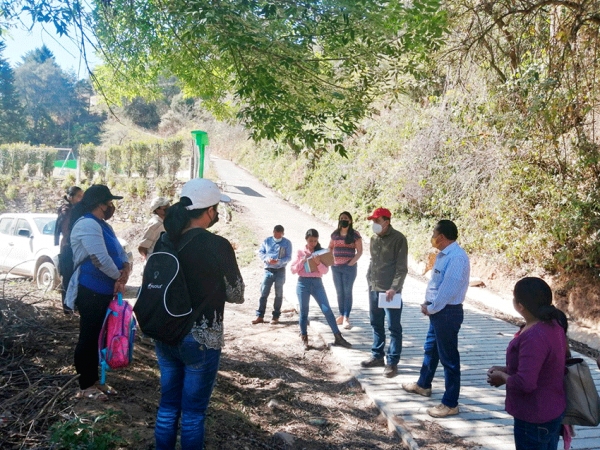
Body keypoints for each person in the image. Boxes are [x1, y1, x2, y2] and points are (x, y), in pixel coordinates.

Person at [153, 178, 245, 450]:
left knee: (168, 407)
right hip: (202, 338)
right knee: (193, 415)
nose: (216, 214)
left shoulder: (165, 240)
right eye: (216, 208)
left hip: (165, 332)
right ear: (208, 211)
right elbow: (237, 294)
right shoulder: (218, 245)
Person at [65, 185, 131, 400]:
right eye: (109, 202)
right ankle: (85, 385)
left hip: (104, 290)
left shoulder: (103, 225)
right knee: (89, 336)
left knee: (100, 338)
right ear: (100, 204)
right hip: (90, 290)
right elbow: (99, 259)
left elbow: (121, 252)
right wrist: (119, 278)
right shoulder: (87, 225)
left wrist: (126, 268)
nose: (111, 206)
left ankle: (95, 380)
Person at [487, 277, 567, 450]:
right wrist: (507, 369)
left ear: (520, 305)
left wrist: (502, 376)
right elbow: (543, 366)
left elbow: (526, 383)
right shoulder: (554, 324)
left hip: (534, 416)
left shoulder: (534, 336)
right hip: (553, 410)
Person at [402, 220, 470, 418]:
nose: (432, 236)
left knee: (449, 359)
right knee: (431, 349)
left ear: (441, 236)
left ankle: (450, 403)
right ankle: (423, 384)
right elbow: (436, 284)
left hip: (447, 312)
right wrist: (429, 304)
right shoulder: (444, 255)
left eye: (434, 232)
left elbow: (448, 290)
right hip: (438, 311)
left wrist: (431, 308)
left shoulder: (456, 258)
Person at [361, 207, 408, 378]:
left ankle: (392, 362)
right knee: (376, 323)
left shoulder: (399, 239)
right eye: (372, 221)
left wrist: (394, 288)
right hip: (374, 288)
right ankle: (377, 355)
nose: (374, 224)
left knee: (393, 327)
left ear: (386, 222)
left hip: (390, 292)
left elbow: (402, 268)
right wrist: (369, 279)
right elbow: (373, 261)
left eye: (376, 221)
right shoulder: (374, 238)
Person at [290, 229, 352, 350]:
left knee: (327, 309)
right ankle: (304, 338)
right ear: (306, 240)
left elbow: (325, 271)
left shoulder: (321, 252)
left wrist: (318, 263)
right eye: (310, 240)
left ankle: (338, 336)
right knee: (303, 311)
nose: (312, 243)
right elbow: (293, 270)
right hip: (303, 283)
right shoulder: (300, 252)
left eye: (315, 240)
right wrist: (302, 262)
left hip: (317, 283)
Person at [328, 211, 362, 329]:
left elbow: (360, 251)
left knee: (347, 292)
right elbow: (330, 247)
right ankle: (341, 315)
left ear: (350, 220)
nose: (343, 220)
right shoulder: (335, 234)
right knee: (339, 292)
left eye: (346, 218)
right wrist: (330, 260)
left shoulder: (355, 235)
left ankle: (347, 317)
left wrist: (351, 263)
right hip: (336, 267)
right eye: (341, 218)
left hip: (349, 268)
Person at [252, 225, 292, 325]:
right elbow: (261, 252)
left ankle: (276, 316)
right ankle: (260, 316)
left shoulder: (287, 243)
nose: (277, 237)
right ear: (273, 232)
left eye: (279, 235)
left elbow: (288, 257)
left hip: (280, 270)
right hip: (268, 270)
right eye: (275, 234)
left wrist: (279, 261)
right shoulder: (267, 241)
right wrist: (267, 259)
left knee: (278, 294)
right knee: (263, 293)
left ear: (283, 234)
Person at [54, 186, 83, 314]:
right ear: (70, 198)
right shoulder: (66, 211)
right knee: (67, 278)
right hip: (68, 249)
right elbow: (67, 231)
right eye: (79, 196)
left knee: (76, 278)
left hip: (75, 248)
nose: (81, 199)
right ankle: (67, 308)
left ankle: (73, 305)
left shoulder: (77, 210)